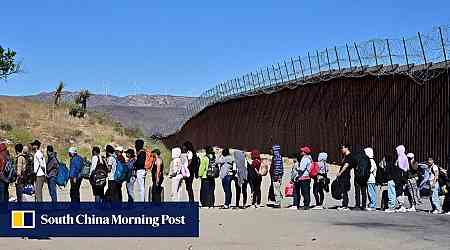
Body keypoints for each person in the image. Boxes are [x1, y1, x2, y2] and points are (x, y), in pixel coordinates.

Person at [336, 144, 355, 211]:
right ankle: (344, 204)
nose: (341, 149)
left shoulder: (349, 156)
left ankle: (345, 205)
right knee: (343, 190)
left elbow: (346, 165)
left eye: (342, 148)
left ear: (347, 148)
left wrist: (340, 173)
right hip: (345, 175)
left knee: (344, 190)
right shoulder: (346, 156)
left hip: (345, 175)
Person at [295, 146, 313, 210]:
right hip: (308, 177)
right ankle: (307, 204)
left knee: (304, 192)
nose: (301, 152)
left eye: (302, 151)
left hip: (303, 177)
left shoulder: (305, 159)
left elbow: (302, 169)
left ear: (305, 152)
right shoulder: (310, 158)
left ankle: (306, 205)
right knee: (307, 191)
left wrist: (296, 168)